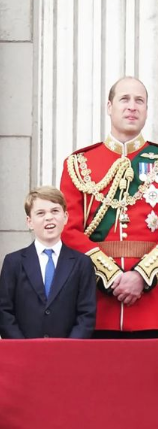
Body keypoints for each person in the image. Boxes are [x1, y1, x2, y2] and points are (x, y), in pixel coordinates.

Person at [59, 77, 158, 338]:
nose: (132, 107)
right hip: (96, 306)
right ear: (109, 107)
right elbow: (68, 231)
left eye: (140, 101)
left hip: (153, 307)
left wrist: (141, 276)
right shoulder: (79, 164)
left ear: (147, 110)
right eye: (124, 99)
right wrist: (112, 276)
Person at [0, 187, 96, 339]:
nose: (49, 217)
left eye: (55, 211)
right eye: (40, 213)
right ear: (29, 221)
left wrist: (69, 347)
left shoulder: (82, 263)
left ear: (66, 217)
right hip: (24, 352)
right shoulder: (14, 262)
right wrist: (22, 347)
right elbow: (4, 311)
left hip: (67, 352)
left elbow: (86, 314)